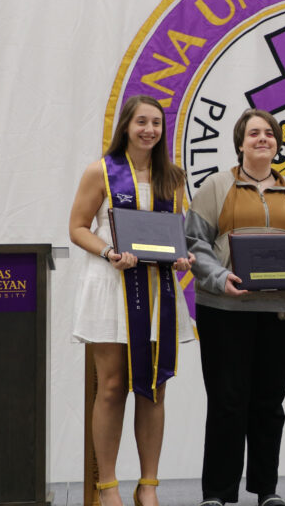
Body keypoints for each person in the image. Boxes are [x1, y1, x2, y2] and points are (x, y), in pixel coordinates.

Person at [185, 108, 285, 506]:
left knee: (268, 403)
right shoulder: (215, 187)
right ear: (240, 143)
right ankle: (217, 492)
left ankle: (267, 490)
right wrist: (218, 278)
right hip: (225, 310)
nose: (262, 139)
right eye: (254, 134)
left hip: (281, 311)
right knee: (227, 401)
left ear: (278, 143)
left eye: (269, 134)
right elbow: (195, 244)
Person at [69, 94, 196, 506]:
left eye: (156, 124)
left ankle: (149, 485)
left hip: (158, 291)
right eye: (141, 122)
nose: (149, 130)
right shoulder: (100, 173)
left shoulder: (172, 179)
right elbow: (77, 227)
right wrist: (108, 251)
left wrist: (183, 257)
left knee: (154, 387)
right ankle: (107, 486)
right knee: (110, 387)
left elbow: (178, 234)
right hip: (113, 286)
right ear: (126, 125)